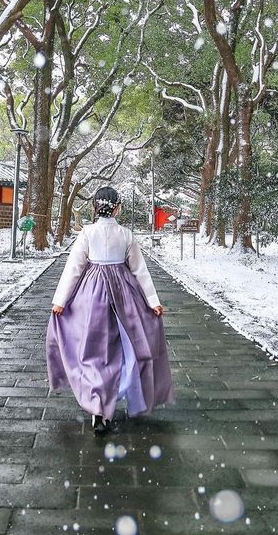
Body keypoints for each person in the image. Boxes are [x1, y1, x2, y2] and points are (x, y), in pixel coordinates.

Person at [46, 186, 175, 434]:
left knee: (92, 350)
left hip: (90, 294)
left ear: (95, 207)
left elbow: (74, 268)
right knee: (124, 348)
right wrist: (152, 301)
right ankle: (122, 390)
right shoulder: (126, 235)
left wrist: (60, 300)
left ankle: (97, 407)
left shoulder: (87, 233)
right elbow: (139, 270)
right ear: (117, 208)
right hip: (124, 292)